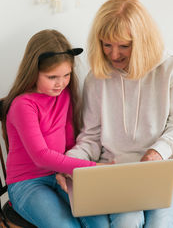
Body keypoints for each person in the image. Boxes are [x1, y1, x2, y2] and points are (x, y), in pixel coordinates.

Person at [57, 0, 173, 228]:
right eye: (106, 44)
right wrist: (69, 164)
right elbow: (90, 138)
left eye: (124, 45)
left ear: (142, 41)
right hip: (117, 173)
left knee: (158, 224)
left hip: (171, 169)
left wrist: (156, 153)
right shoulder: (96, 78)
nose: (114, 55)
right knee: (126, 223)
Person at [0, 29, 111, 228]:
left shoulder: (64, 96)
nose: (61, 83)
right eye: (52, 77)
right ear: (34, 72)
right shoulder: (23, 105)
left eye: (66, 75)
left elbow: (69, 142)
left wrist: (71, 174)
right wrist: (94, 169)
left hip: (61, 174)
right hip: (28, 182)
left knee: (101, 222)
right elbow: (41, 156)